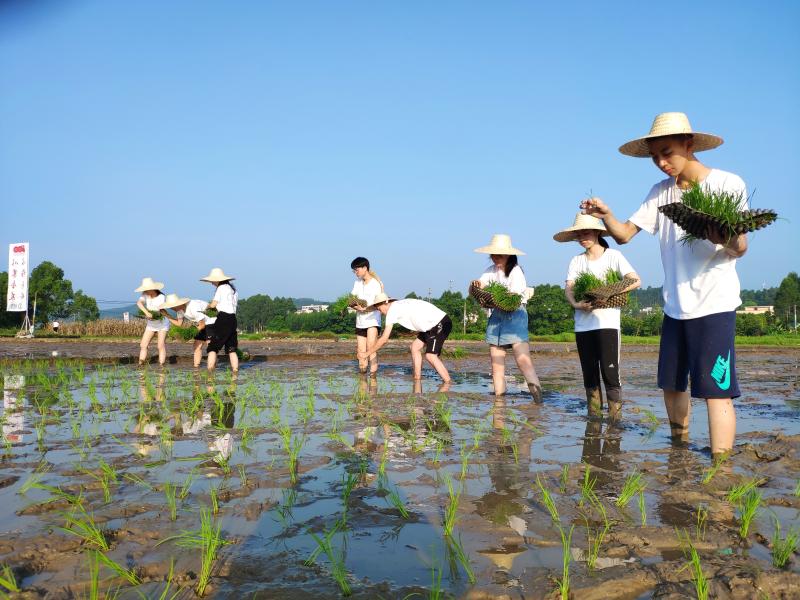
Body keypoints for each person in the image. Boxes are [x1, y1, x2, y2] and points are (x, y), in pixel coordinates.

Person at [581, 112, 747, 460]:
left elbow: (740, 247)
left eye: (667, 152)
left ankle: (722, 468)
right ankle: (680, 448)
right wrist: (606, 216)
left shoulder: (727, 184)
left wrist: (724, 235)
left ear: (689, 144)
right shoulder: (660, 193)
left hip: (714, 304)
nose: (660, 162)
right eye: (654, 156)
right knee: (671, 385)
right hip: (675, 306)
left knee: (715, 390)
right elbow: (624, 235)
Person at [554, 214, 641, 419]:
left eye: (586, 232)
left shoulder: (614, 256)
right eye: (579, 234)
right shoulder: (576, 261)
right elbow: (569, 288)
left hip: (607, 323)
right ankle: (593, 419)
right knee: (589, 374)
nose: (582, 237)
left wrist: (609, 292)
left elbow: (635, 280)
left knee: (610, 373)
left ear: (597, 233)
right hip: (583, 325)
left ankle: (614, 420)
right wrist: (576, 304)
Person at [472, 234, 542, 402]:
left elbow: (513, 298)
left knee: (523, 362)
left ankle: (539, 401)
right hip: (496, 316)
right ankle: (499, 405)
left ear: (509, 255)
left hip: (515, 315)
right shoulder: (490, 271)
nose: (496, 258)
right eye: (494, 255)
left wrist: (495, 297)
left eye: (500, 255)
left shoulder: (516, 271)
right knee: (496, 366)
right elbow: (481, 284)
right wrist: (476, 285)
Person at [359, 293, 452, 383]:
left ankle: (448, 382)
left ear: (386, 303)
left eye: (379, 309)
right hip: (429, 327)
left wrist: (366, 354)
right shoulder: (397, 305)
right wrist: (364, 309)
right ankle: (417, 378)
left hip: (439, 323)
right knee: (415, 347)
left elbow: (384, 339)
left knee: (430, 356)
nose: (380, 312)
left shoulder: (392, 311)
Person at [159, 293, 217, 368]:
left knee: (210, 346)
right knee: (196, 346)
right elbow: (179, 323)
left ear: (179, 303)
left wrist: (189, 334)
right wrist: (167, 315)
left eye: (173, 306)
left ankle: (212, 368)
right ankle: (196, 367)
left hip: (212, 322)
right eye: (170, 307)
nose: (172, 309)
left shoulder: (192, 307)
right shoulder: (179, 310)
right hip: (199, 324)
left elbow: (202, 325)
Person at [350, 257, 384, 375]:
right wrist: (356, 307)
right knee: (360, 350)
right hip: (360, 321)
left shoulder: (376, 283)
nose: (355, 273)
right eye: (354, 271)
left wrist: (365, 309)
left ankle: (373, 376)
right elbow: (352, 300)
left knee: (371, 347)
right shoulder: (357, 283)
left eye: (357, 270)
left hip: (373, 320)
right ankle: (363, 376)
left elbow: (380, 303)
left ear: (365, 268)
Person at [201, 268, 239, 373]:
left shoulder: (221, 288)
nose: (212, 283)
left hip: (223, 318)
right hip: (233, 319)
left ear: (218, 280)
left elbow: (214, 304)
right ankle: (235, 371)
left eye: (212, 281)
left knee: (213, 347)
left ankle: (209, 371)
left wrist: (207, 308)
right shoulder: (233, 290)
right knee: (231, 348)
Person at [135, 277, 169, 366]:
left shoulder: (161, 297)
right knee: (143, 345)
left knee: (160, 346)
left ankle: (162, 366)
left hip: (162, 323)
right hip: (151, 324)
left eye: (146, 289)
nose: (145, 291)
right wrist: (146, 313)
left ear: (152, 288)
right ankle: (140, 365)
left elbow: (159, 311)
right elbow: (139, 303)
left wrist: (152, 315)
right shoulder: (145, 294)